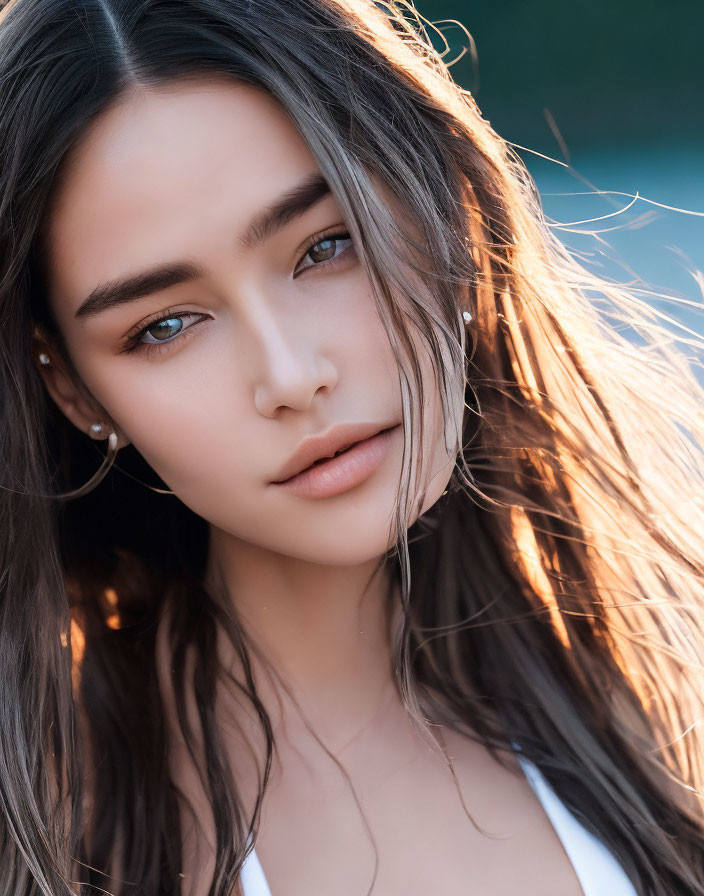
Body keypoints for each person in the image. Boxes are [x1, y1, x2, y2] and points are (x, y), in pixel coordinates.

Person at [0, 0, 702, 893]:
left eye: (326, 247)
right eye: (167, 324)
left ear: (443, 211)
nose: (291, 376)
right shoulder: (57, 832)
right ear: (72, 389)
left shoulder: (661, 707)